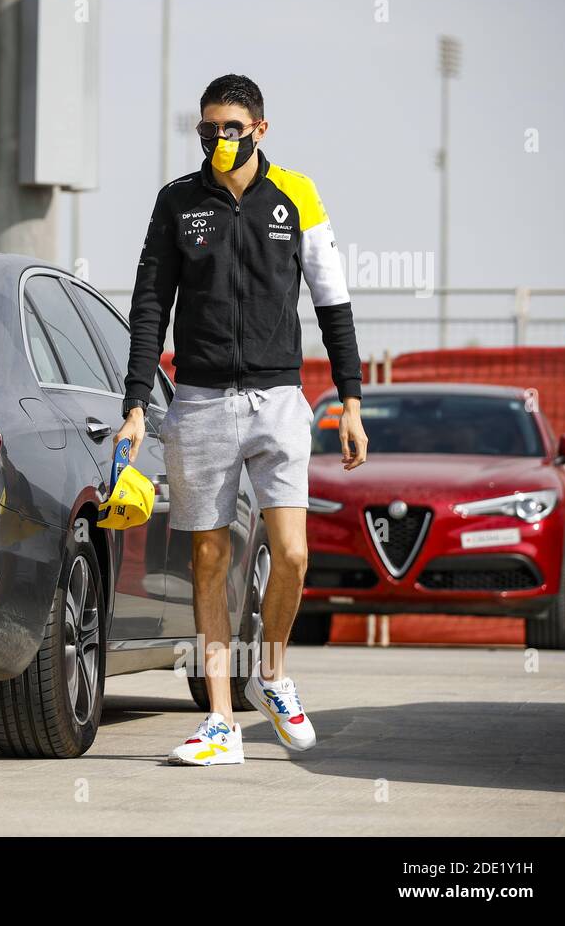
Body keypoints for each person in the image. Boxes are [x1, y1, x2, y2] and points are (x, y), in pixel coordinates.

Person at [115, 74, 368, 766]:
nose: (217, 139)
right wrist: (138, 402)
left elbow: (332, 302)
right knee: (209, 557)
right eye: (207, 129)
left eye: (230, 127)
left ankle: (274, 674)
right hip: (196, 401)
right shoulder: (177, 202)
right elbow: (148, 306)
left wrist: (350, 398)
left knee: (291, 552)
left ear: (260, 129)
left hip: (280, 399)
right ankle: (221, 723)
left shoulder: (297, 195)